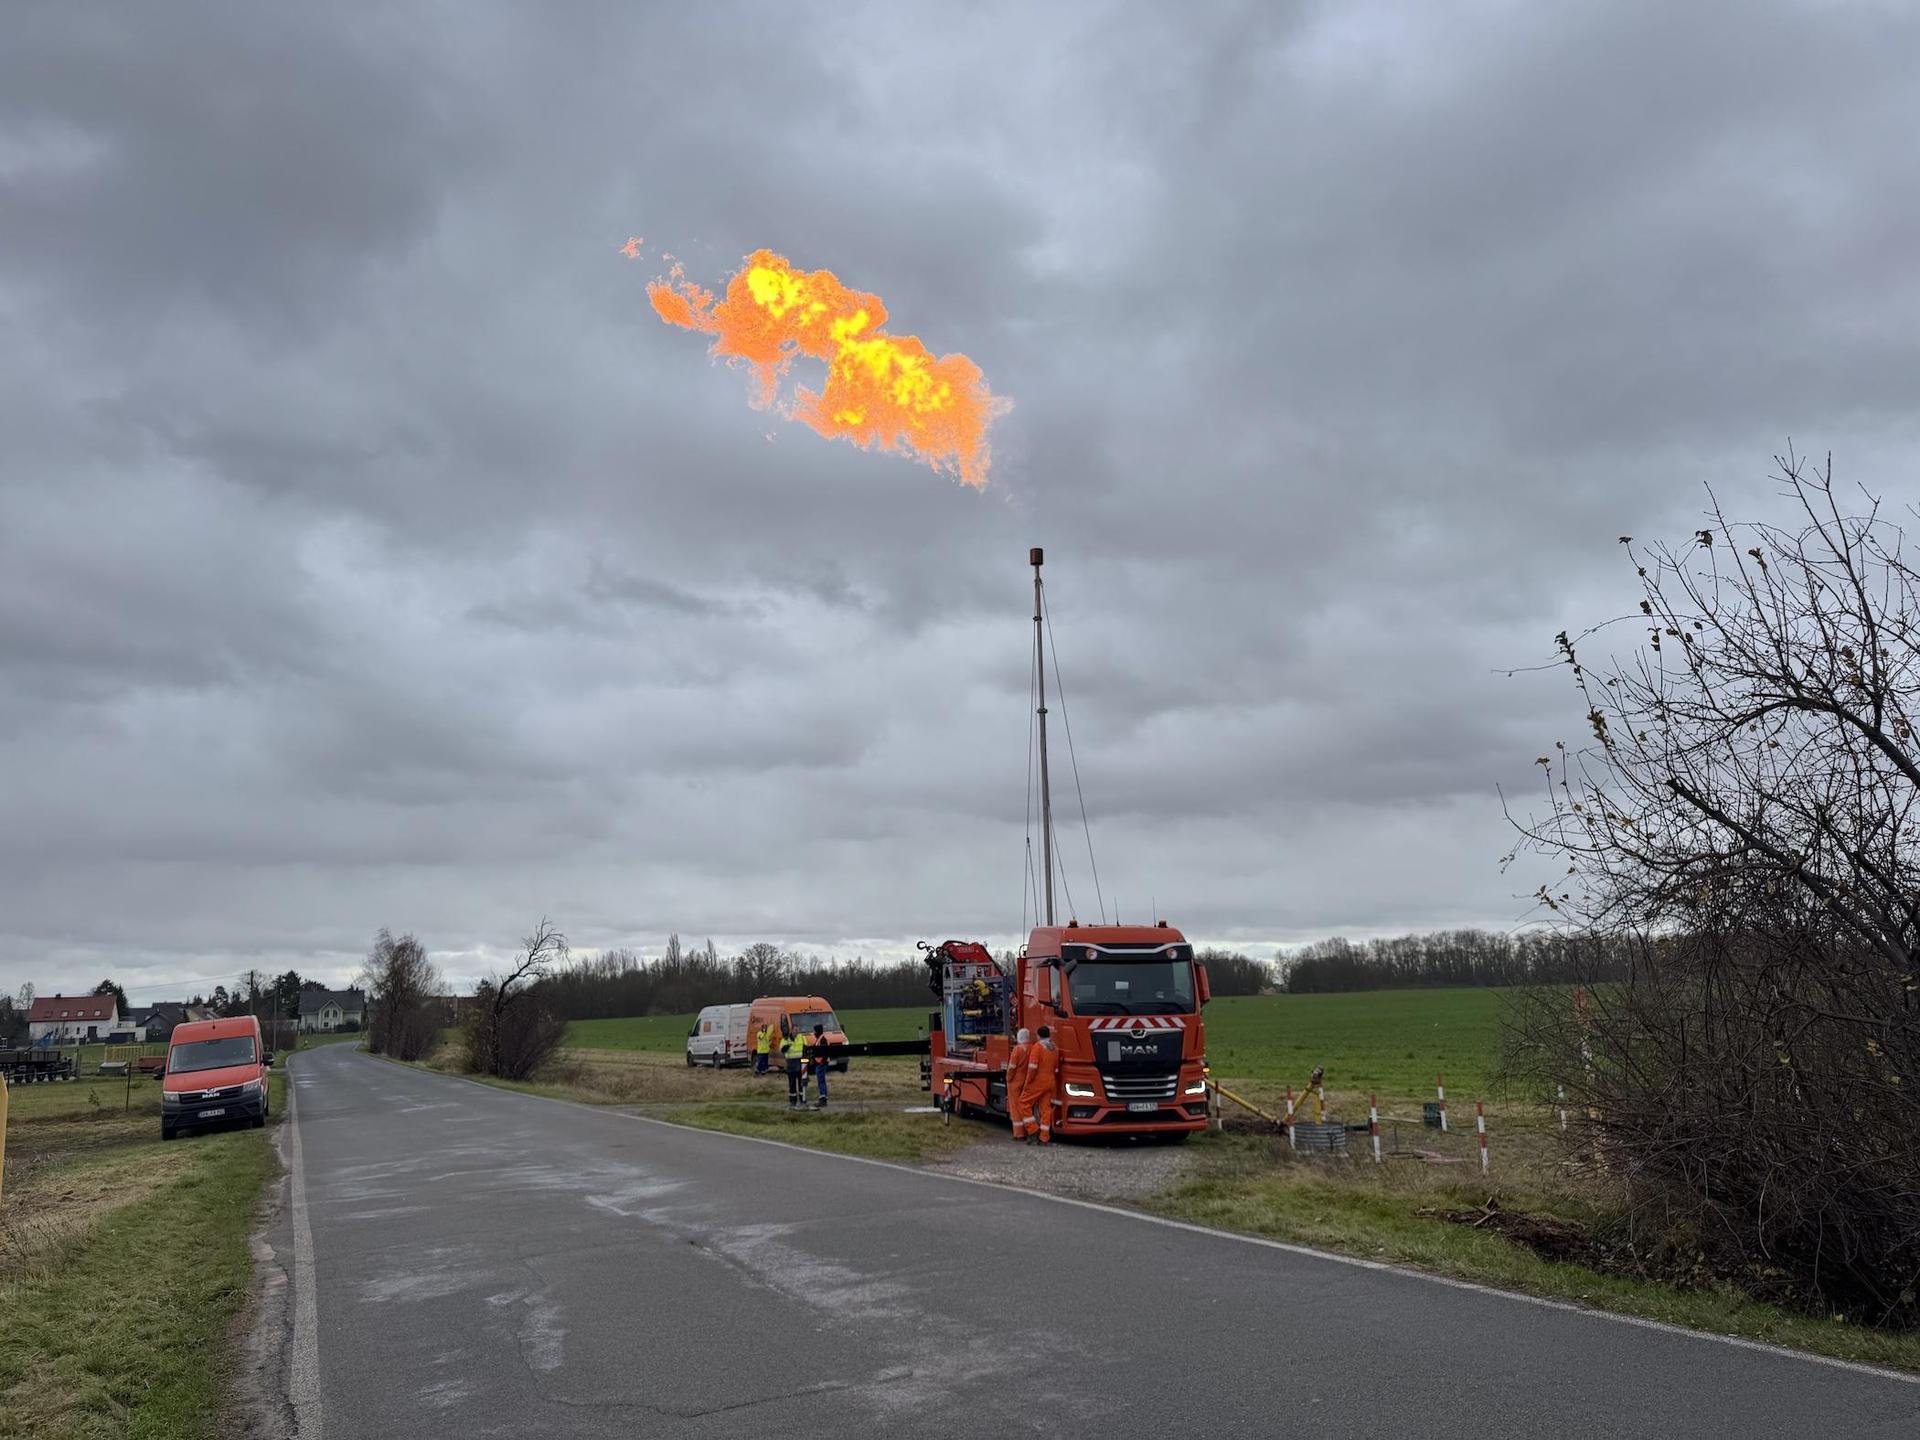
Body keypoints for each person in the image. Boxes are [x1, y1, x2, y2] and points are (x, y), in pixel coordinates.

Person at [1020, 1025, 1060, 1144]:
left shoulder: (1037, 1047)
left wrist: (1027, 1083)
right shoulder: (1054, 1048)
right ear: (1049, 1035)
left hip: (1038, 1082)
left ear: (1038, 1035)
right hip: (1050, 1082)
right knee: (1045, 1109)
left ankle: (1033, 1130)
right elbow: (1056, 1068)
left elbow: (1032, 1068)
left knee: (1023, 1103)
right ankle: (1044, 1137)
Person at [1006, 1028, 1033, 1140]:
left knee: (1015, 1108)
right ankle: (1030, 1130)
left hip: (1015, 1082)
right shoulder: (1033, 1048)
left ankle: (1019, 1133)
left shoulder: (1017, 1050)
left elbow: (1012, 1067)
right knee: (1026, 1107)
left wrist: (1008, 1078)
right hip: (1028, 1081)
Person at [781, 1024, 807, 1108]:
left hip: (800, 1063)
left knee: (801, 1084)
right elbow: (782, 1049)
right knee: (792, 1084)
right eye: (795, 1030)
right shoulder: (786, 1039)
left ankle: (803, 1100)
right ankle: (793, 1101)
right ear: (791, 1030)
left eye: (797, 1030)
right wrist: (787, 1045)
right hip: (791, 1063)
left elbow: (806, 1048)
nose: (797, 1031)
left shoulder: (802, 1037)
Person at [806, 1023, 832, 1109]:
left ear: (818, 1031)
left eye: (815, 1031)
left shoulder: (822, 1040)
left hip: (820, 1064)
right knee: (821, 1081)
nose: (814, 1033)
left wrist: (821, 1061)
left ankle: (823, 1099)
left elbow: (824, 1053)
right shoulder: (820, 1039)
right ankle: (823, 1098)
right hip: (820, 1064)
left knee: (821, 1082)